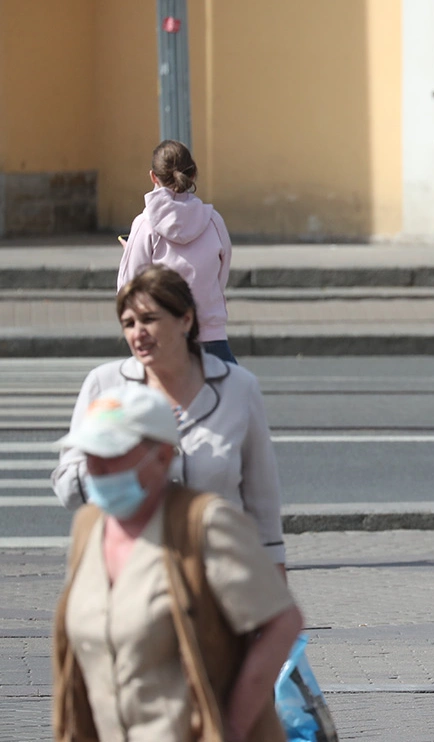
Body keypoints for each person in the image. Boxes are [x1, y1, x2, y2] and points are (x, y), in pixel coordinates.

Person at [51, 383, 302, 741]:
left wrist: (230, 726)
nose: (97, 468)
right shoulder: (88, 526)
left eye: (112, 452)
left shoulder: (205, 523)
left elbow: (282, 623)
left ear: (163, 456)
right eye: (88, 453)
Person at [52, 266, 288, 566]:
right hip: (132, 569)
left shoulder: (238, 387)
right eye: (128, 323)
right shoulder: (105, 385)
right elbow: (67, 489)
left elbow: (262, 499)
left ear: (185, 320)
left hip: (220, 571)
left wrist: (274, 577)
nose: (138, 333)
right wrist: (120, 463)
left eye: (149, 319)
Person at [119, 139, 237, 364]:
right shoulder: (213, 221)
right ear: (192, 175)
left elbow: (128, 288)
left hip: (163, 339)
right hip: (211, 336)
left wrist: (129, 254)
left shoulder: (145, 225)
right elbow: (221, 275)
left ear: (153, 176)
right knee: (230, 394)